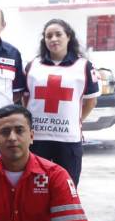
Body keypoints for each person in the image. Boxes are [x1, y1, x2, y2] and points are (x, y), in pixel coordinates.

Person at [23, 19, 100, 187]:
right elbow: (26, 99)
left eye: (58, 34)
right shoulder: (32, 66)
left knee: (67, 188)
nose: (53, 39)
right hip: (37, 140)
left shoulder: (84, 66)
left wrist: (74, 120)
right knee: (35, 188)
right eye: (48, 36)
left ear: (69, 37)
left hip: (68, 141)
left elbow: (90, 102)